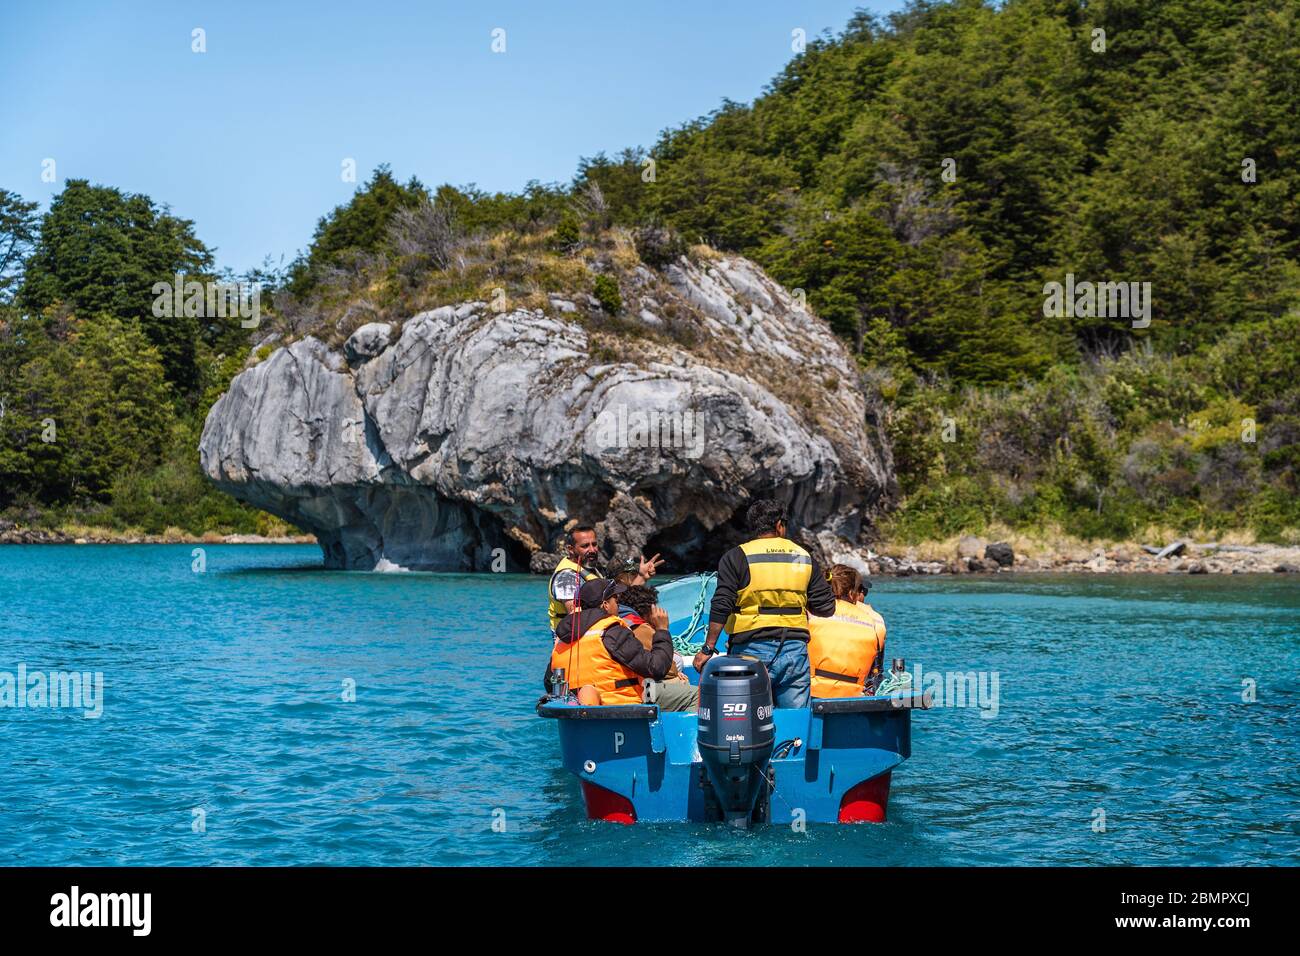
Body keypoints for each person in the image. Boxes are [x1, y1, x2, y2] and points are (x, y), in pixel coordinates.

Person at [692, 499, 835, 709]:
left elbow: (722, 603)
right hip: (794, 649)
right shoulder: (804, 557)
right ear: (779, 525)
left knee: (746, 717)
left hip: (749, 647)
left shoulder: (736, 557)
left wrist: (708, 647)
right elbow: (826, 608)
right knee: (795, 721)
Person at [547, 578, 674, 705]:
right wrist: (662, 630)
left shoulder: (561, 638)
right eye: (616, 600)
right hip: (623, 708)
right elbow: (656, 668)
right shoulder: (611, 631)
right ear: (605, 605)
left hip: (575, 710)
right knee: (691, 695)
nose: (618, 605)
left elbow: (549, 682)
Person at [547, 528, 663, 633]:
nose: (592, 549)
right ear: (570, 549)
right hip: (581, 643)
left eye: (594, 544)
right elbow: (578, 619)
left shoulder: (593, 568)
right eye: (585, 546)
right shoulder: (567, 578)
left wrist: (641, 577)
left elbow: (615, 600)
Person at [806, 564, 887, 698]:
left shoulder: (808, 612)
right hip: (853, 694)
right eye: (861, 591)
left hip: (811, 693)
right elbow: (876, 672)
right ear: (851, 593)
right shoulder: (874, 620)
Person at [621, 583, 697, 712]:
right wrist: (662, 628)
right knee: (697, 694)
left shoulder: (621, 623)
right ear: (649, 610)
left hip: (629, 687)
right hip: (644, 690)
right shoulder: (641, 628)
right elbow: (663, 669)